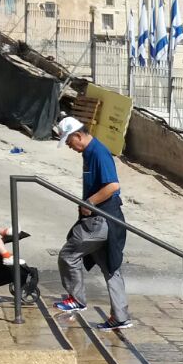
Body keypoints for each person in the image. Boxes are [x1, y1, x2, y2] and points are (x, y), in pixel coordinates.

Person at [54, 117, 131, 331]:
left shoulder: (98, 152)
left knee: (68, 254)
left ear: (78, 135)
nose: (70, 146)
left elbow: (113, 185)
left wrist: (89, 202)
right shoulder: (89, 152)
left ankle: (76, 299)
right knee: (110, 267)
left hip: (102, 219)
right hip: (107, 220)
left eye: (69, 141)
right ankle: (120, 316)